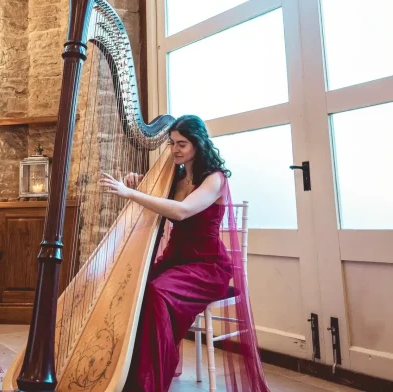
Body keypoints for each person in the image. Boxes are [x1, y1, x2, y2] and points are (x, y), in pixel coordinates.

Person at [99, 114, 270, 392]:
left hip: (205, 266)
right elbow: (159, 198)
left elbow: (181, 211)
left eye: (182, 144)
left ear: (198, 144)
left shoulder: (214, 180)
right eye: (172, 143)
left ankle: (149, 383)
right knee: (130, 288)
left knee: (156, 291)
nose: (175, 149)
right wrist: (136, 183)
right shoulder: (173, 177)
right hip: (175, 261)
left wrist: (129, 194)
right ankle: (124, 372)